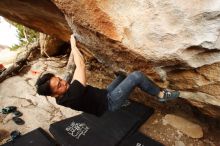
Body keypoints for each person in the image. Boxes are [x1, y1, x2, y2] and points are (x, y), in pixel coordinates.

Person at [36, 34, 180, 116]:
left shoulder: (62, 94)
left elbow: (68, 75)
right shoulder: (72, 96)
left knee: (122, 75)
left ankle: (124, 92)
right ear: (54, 95)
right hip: (109, 103)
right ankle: (160, 95)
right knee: (136, 76)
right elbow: (80, 65)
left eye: (59, 79)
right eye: (59, 85)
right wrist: (73, 45)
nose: (63, 82)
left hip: (104, 94)